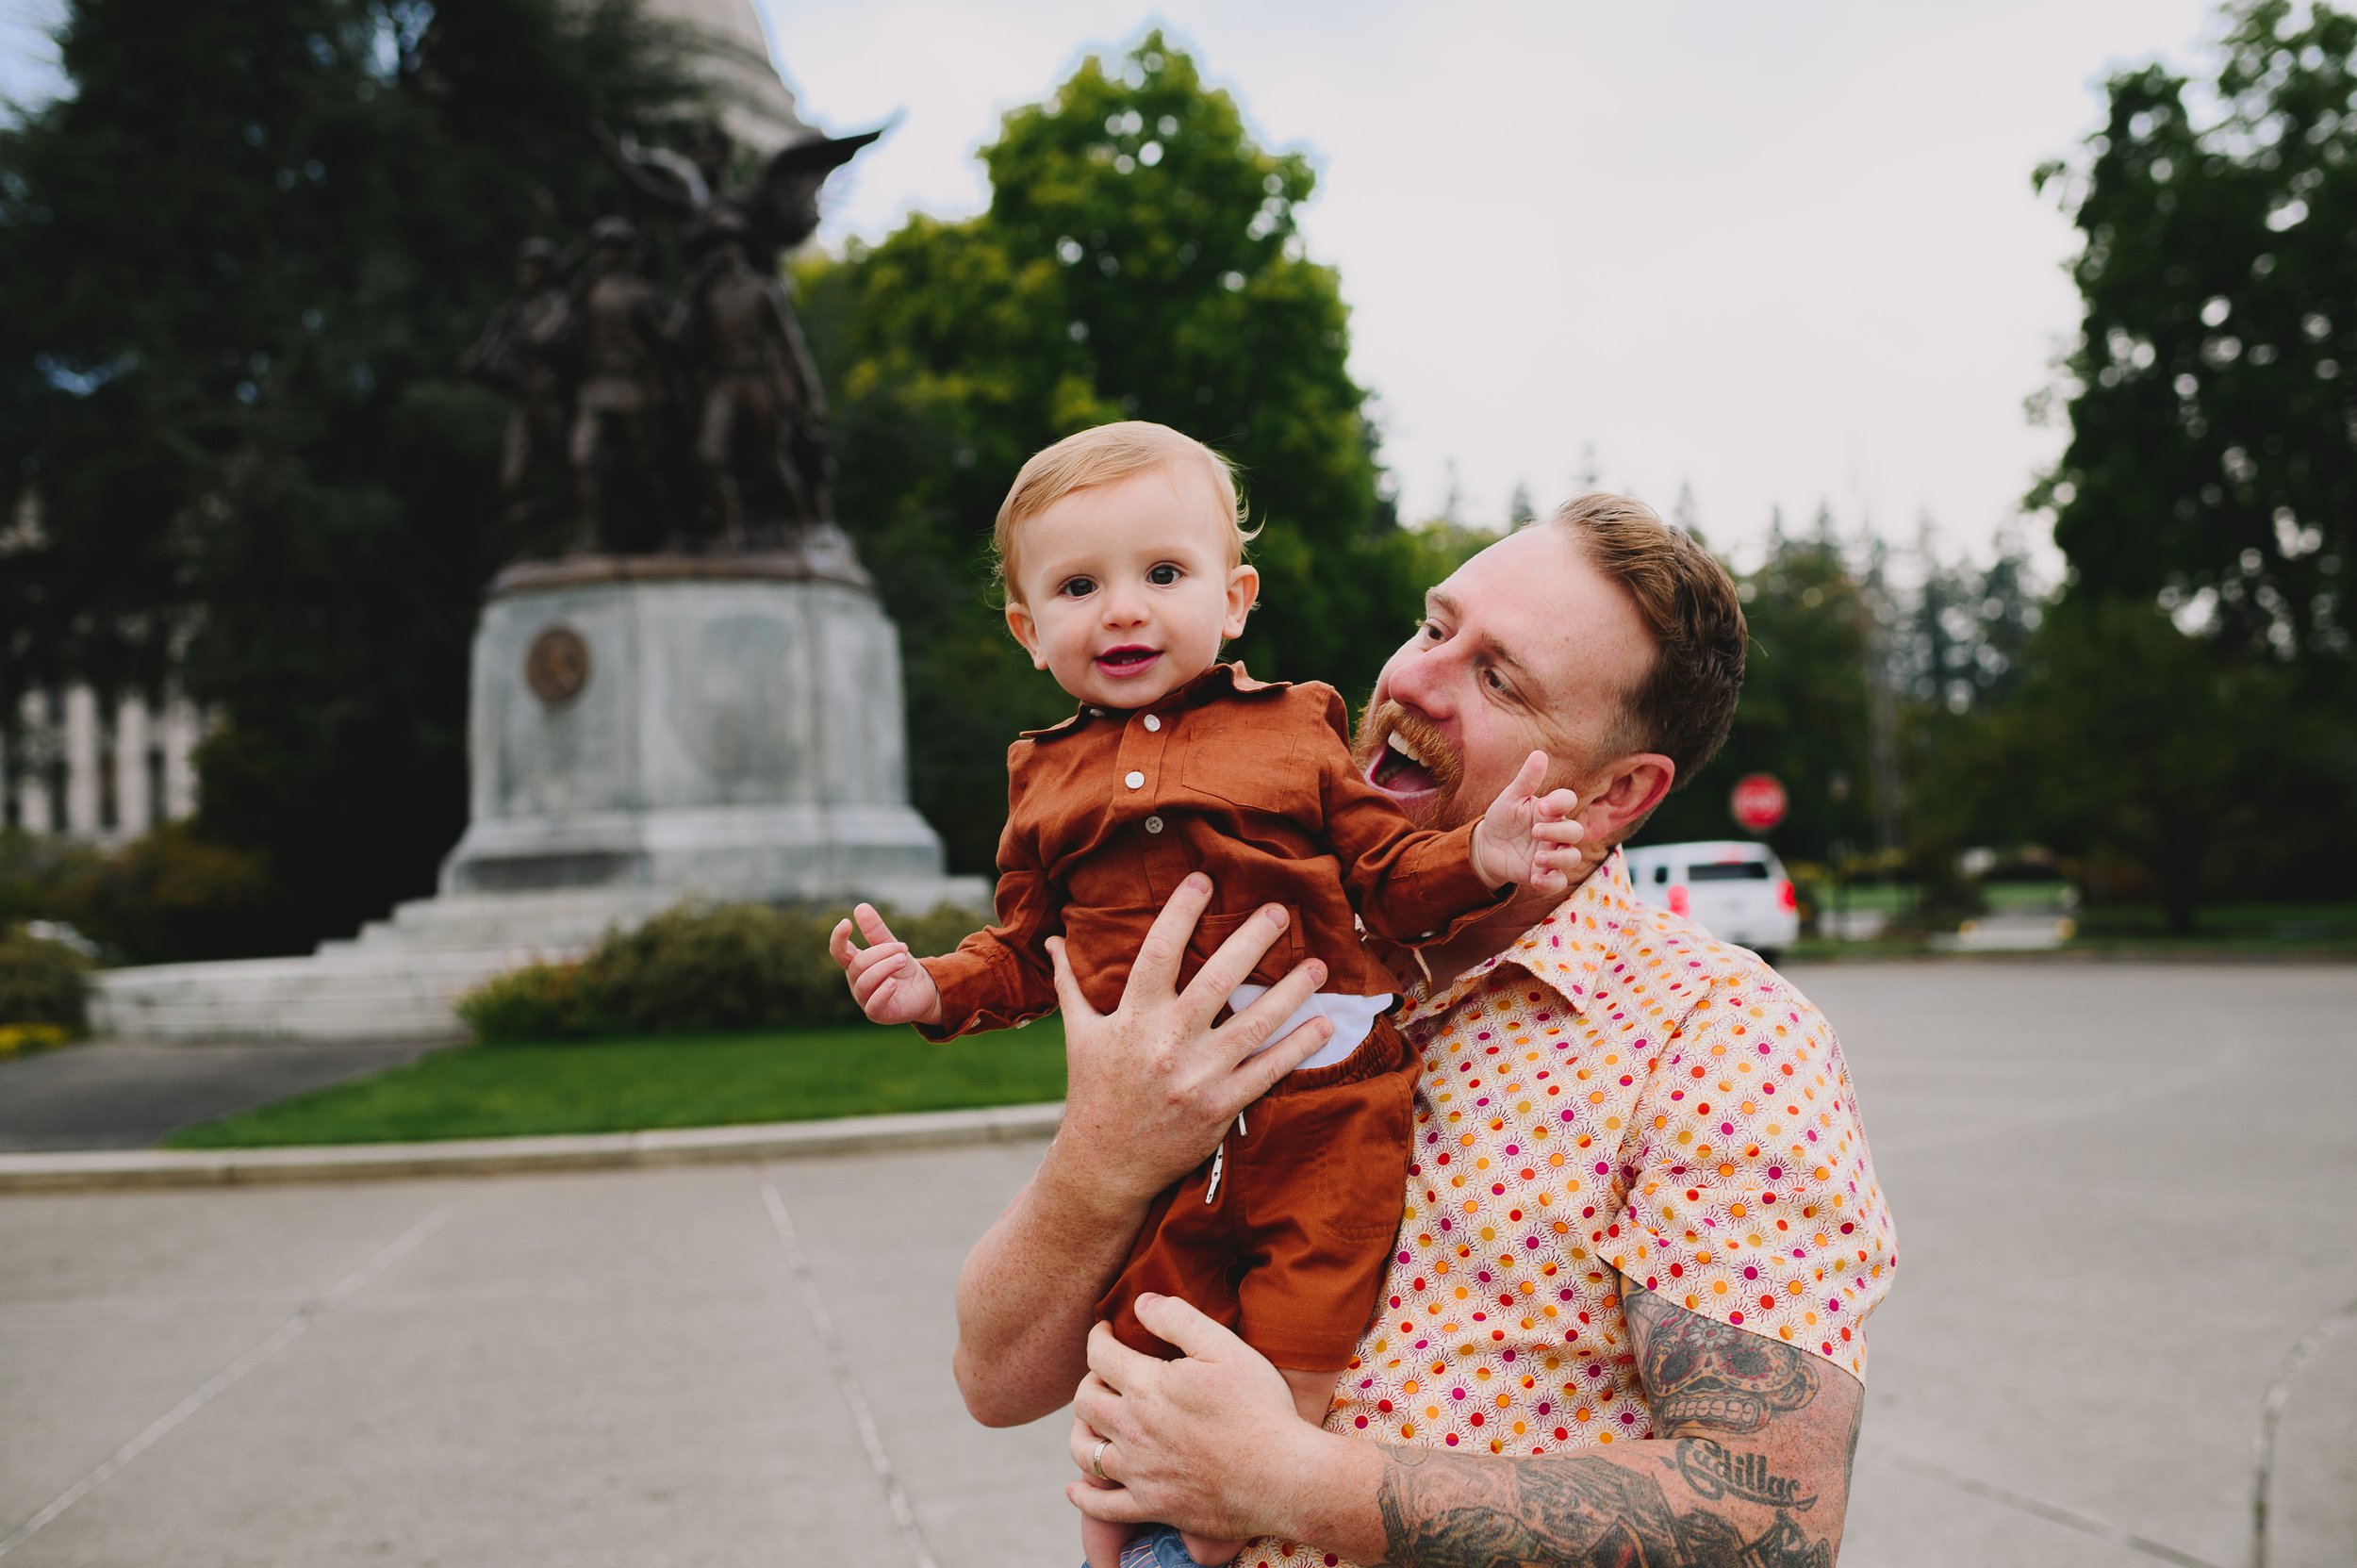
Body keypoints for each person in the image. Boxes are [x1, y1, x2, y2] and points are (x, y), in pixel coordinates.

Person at [951, 493, 1898, 1568]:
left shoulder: (1720, 1036)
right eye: (1434, 627)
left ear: (1614, 793)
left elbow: (1769, 1521)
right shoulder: (1250, 941)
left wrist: (1283, 1480)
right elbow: (997, 1377)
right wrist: (1103, 1156)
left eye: (1497, 678)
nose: (1411, 680)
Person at [828, 421, 1589, 1568]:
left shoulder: (1295, 728)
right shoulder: (1043, 776)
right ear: (1030, 632)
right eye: (1079, 586)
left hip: (1326, 1101)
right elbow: (1029, 947)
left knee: (1309, 1302)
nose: (1123, 609)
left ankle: (1248, 1506)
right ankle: (1114, 1528)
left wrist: (1482, 853)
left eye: (1163, 574)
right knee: (1139, 1341)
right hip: (1169, 1146)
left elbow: (1382, 870)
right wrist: (927, 989)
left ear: (1234, 601)